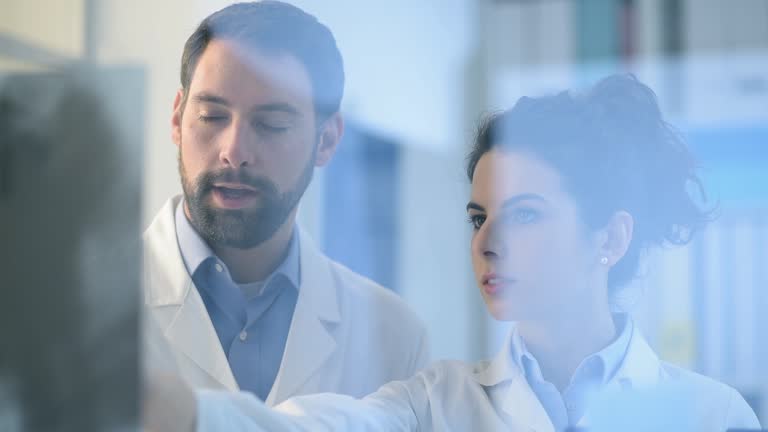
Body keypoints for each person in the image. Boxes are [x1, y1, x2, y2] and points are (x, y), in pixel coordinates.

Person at [147, 74, 761, 431]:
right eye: (478, 218)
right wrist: (180, 410)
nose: (487, 244)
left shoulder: (712, 414)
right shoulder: (436, 404)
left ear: (610, 237)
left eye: (525, 214)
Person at [143, 0, 429, 408]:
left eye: (271, 124)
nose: (234, 151)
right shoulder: (79, 309)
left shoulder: (393, 336)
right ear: (177, 118)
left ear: (327, 140)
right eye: (211, 116)